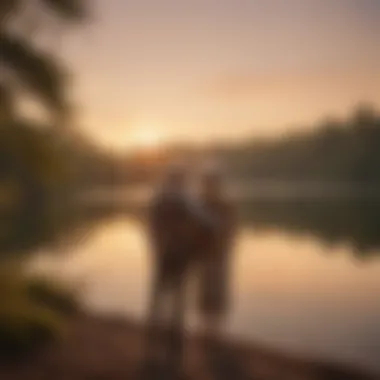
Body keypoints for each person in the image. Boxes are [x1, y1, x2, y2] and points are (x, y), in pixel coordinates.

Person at [145, 164, 214, 368]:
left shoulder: (160, 200)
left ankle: (156, 339)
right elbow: (210, 224)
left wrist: (160, 243)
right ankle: (171, 342)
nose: (181, 182)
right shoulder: (184, 200)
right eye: (180, 179)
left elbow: (151, 227)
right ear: (179, 180)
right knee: (176, 300)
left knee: (162, 298)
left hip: (166, 256)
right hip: (177, 256)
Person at [197, 165, 236, 342]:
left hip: (219, 255)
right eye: (208, 182)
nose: (210, 185)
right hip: (204, 255)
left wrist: (226, 248)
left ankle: (217, 330)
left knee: (218, 290)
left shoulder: (225, 204)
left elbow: (231, 229)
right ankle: (206, 328)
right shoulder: (199, 204)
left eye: (213, 182)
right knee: (204, 290)